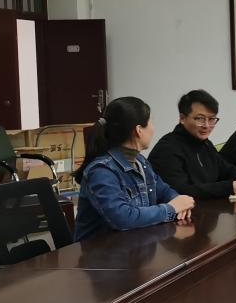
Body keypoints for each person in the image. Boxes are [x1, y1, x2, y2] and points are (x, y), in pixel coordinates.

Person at [73, 96, 195, 242]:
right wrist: (171, 209)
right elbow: (122, 218)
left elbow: (163, 190)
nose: (153, 128)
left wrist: (178, 201)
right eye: (151, 122)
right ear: (139, 130)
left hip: (133, 245)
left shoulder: (140, 161)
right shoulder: (101, 171)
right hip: (100, 252)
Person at [149, 89, 236, 200]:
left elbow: (225, 169)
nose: (206, 125)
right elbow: (180, 191)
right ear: (182, 118)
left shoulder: (205, 144)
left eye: (211, 119)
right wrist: (230, 187)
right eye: (200, 119)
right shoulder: (167, 148)